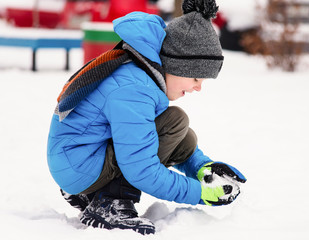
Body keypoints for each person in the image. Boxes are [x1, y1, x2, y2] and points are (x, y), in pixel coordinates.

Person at [47, 0, 246, 235]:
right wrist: (199, 193)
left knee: (181, 131)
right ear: (178, 65)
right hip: (79, 166)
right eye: (196, 78)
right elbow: (141, 169)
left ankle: (92, 192)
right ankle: (111, 203)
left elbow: (161, 139)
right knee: (175, 121)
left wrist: (202, 168)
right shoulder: (135, 88)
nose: (198, 88)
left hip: (77, 159)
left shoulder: (140, 71)